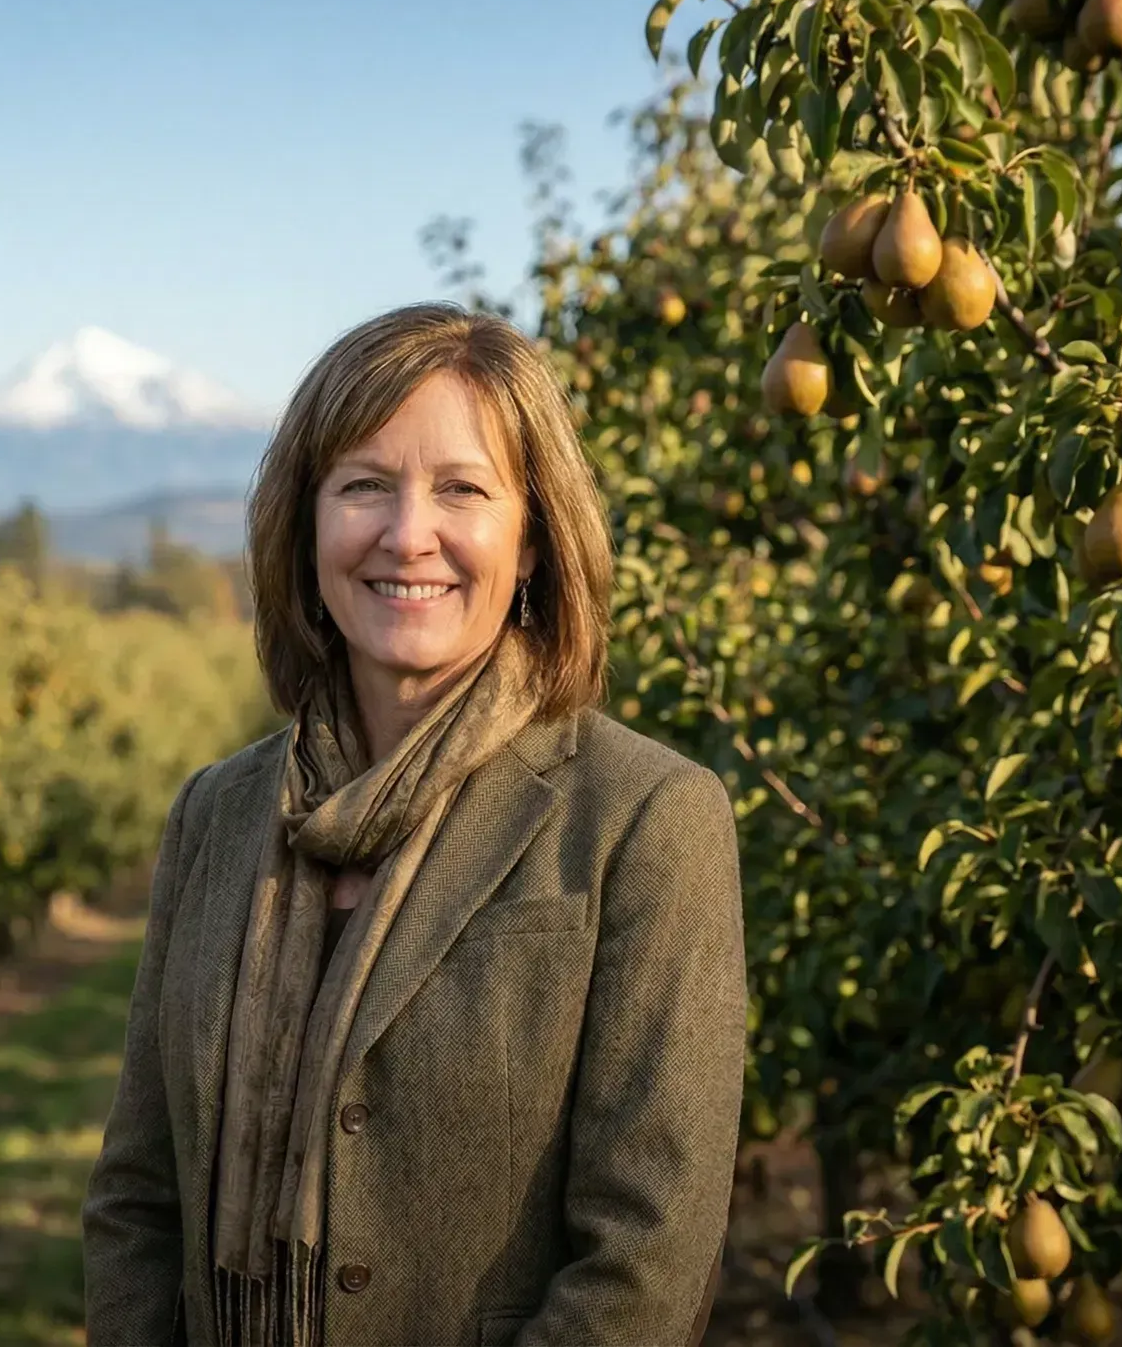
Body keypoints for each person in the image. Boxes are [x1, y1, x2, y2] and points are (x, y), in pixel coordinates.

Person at [82, 303, 746, 1346]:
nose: (407, 535)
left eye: (462, 491)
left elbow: (646, 1261)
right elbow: (137, 1195)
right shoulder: (216, 816)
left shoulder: (643, 822)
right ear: (307, 528)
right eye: (363, 486)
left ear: (531, 540)